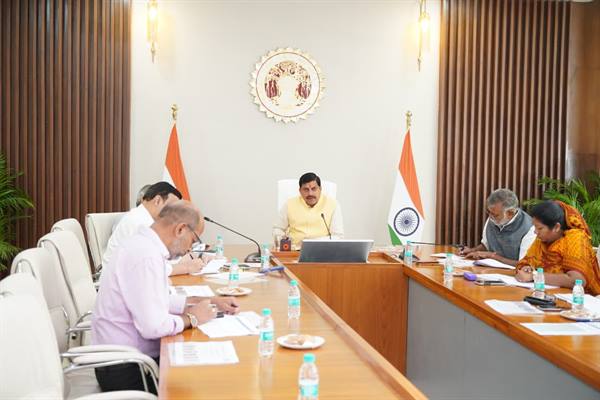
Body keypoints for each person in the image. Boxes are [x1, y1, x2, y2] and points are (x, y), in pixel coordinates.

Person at [92, 201, 239, 393]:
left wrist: (206, 302)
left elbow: (155, 299)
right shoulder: (145, 256)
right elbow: (153, 327)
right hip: (128, 369)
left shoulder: (143, 245)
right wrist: (192, 318)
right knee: (209, 386)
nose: (189, 249)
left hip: (129, 361)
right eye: (193, 240)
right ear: (180, 229)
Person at [102, 181, 207, 276]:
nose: (174, 212)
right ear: (157, 201)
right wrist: (187, 267)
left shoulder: (147, 220)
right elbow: (154, 267)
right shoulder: (138, 221)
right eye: (171, 207)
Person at [515, 200, 600, 294]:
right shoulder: (543, 238)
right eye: (535, 227)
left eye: (539, 228)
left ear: (556, 227)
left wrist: (534, 276)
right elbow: (526, 261)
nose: (535, 232)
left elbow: (576, 280)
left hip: (579, 297)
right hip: (546, 292)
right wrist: (526, 268)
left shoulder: (575, 239)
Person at [460, 188, 535, 266]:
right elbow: (486, 245)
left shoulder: (529, 228)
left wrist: (493, 256)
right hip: (490, 270)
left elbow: (524, 264)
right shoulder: (492, 218)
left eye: (495, 215)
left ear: (510, 213)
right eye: (489, 212)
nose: (490, 217)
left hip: (513, 272)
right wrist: (472, 250)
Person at [273, 172, 343, 248]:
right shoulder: (289, 204)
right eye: (306, 190)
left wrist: (311, 243)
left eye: (314, 189)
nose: (310, 193)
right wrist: (282, 239)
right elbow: (278, 229)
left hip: (322, 250)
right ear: (300, 191)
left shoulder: (333, 205)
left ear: (320, 189)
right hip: (295, 250)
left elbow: (337, 236)